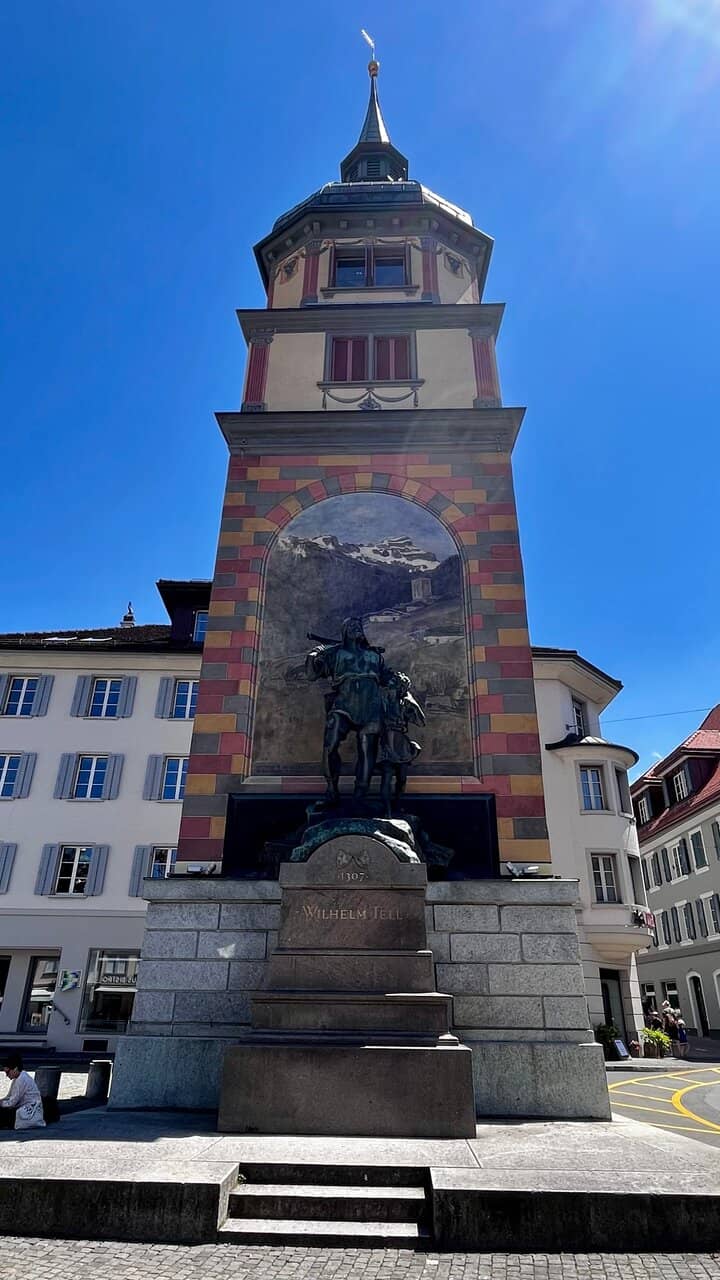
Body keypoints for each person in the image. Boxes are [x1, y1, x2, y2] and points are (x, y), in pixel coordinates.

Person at [377, 671, 426, 815]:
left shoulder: (405, 702)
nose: (391, 686)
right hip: (387, 739)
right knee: (387, 776)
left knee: (402, 778)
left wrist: (412, 702)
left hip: (400, 740)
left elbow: (421, 722)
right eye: (392, 683)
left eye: (396, 684)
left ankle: (398, 805)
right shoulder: (382, 699)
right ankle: (387, 811)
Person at [0, 1053, 46, 1130]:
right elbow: (9, 1096)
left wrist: (1, 1103)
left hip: (28, 1109)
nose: (7, 1075)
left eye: (7, 1072)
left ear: (15, 1069)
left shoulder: (21, 1079)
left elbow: (12, 1102)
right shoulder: (18, 1078)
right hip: (23, 1106)